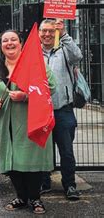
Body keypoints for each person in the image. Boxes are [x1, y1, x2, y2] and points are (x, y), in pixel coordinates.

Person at [0, 30, 55, 214]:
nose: (9, 43)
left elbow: (50, 87)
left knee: (32, 161)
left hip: (31, 120)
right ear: (1, 45)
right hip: (7, 122)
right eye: (5, 40)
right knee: (12, 161)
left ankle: (36, 198)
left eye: (13, 39)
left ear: (21, 43)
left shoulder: (36, 65)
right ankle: (21, 197)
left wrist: (26, 96)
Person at [39, 19, 83, 200]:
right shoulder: (33, 53)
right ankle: (44, 182)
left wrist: (64, 33)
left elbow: (78, 56)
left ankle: (70, 185)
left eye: (51, 31)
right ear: (39, 33)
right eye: (44, 31)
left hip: (63, 108)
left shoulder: (64, 50)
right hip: (41, 110)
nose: (47, 34)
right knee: (42, 149)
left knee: (66, 150)